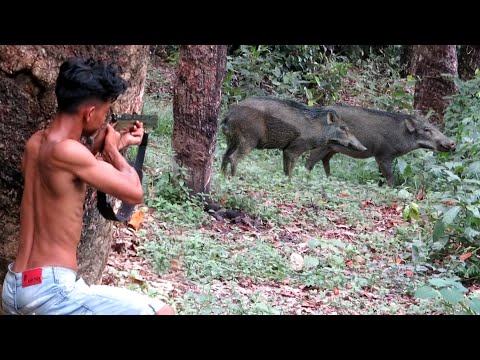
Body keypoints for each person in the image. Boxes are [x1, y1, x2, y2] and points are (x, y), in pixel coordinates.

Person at [1, 57, 175, 315]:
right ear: (90, 112)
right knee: (163, 312)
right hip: (51, 292)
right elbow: (134, 191)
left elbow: (65, 177)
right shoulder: (71, 153)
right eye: (105, 113)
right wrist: (113, 153)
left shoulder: (36, 144)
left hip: (15, 287)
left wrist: (117, 143)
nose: (104, 119)